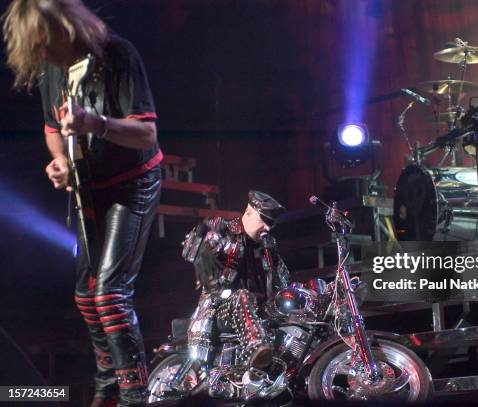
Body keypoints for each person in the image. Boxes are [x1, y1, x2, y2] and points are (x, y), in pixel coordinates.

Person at [2, 1, 162, 405]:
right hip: (90, 189)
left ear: (64, 28)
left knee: (109, 292)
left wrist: (96, 123)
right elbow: (51, 127)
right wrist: (59, 161)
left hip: (133, 183)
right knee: (85, 294)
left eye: (43, 43)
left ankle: (133, 394)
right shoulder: (51, 68)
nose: (40, 54)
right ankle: (108, 386)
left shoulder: (117, 56)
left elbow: (146, 136)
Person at [182, 191, 290, 370]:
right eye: (264, 220)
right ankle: (257, 349)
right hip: (220, 309)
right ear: (248, 213)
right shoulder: (224, 232)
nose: (268, 227)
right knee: (242, 296)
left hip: (260, 311)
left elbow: (282, 279)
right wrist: (201, 235)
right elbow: (189, 251)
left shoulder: (269, 246)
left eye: (271, 223)